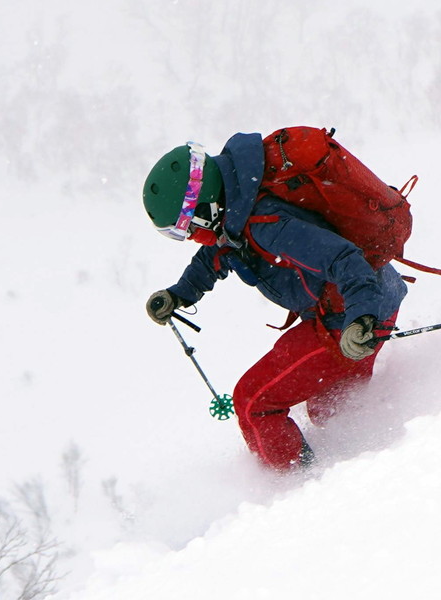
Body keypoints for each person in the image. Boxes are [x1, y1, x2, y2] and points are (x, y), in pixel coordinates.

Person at [142, 133, 408, 471]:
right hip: (369, 303)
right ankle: (379, 456)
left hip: (351, 318)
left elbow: (344, 260)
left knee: (254, 403)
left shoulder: (266, 223)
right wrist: (180, 294)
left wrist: (361, 318)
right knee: (331, 411)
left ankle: (294, 490)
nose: (191, 235)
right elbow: (219, 251)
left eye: (184, 228)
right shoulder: (239, 202)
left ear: (204, 207)